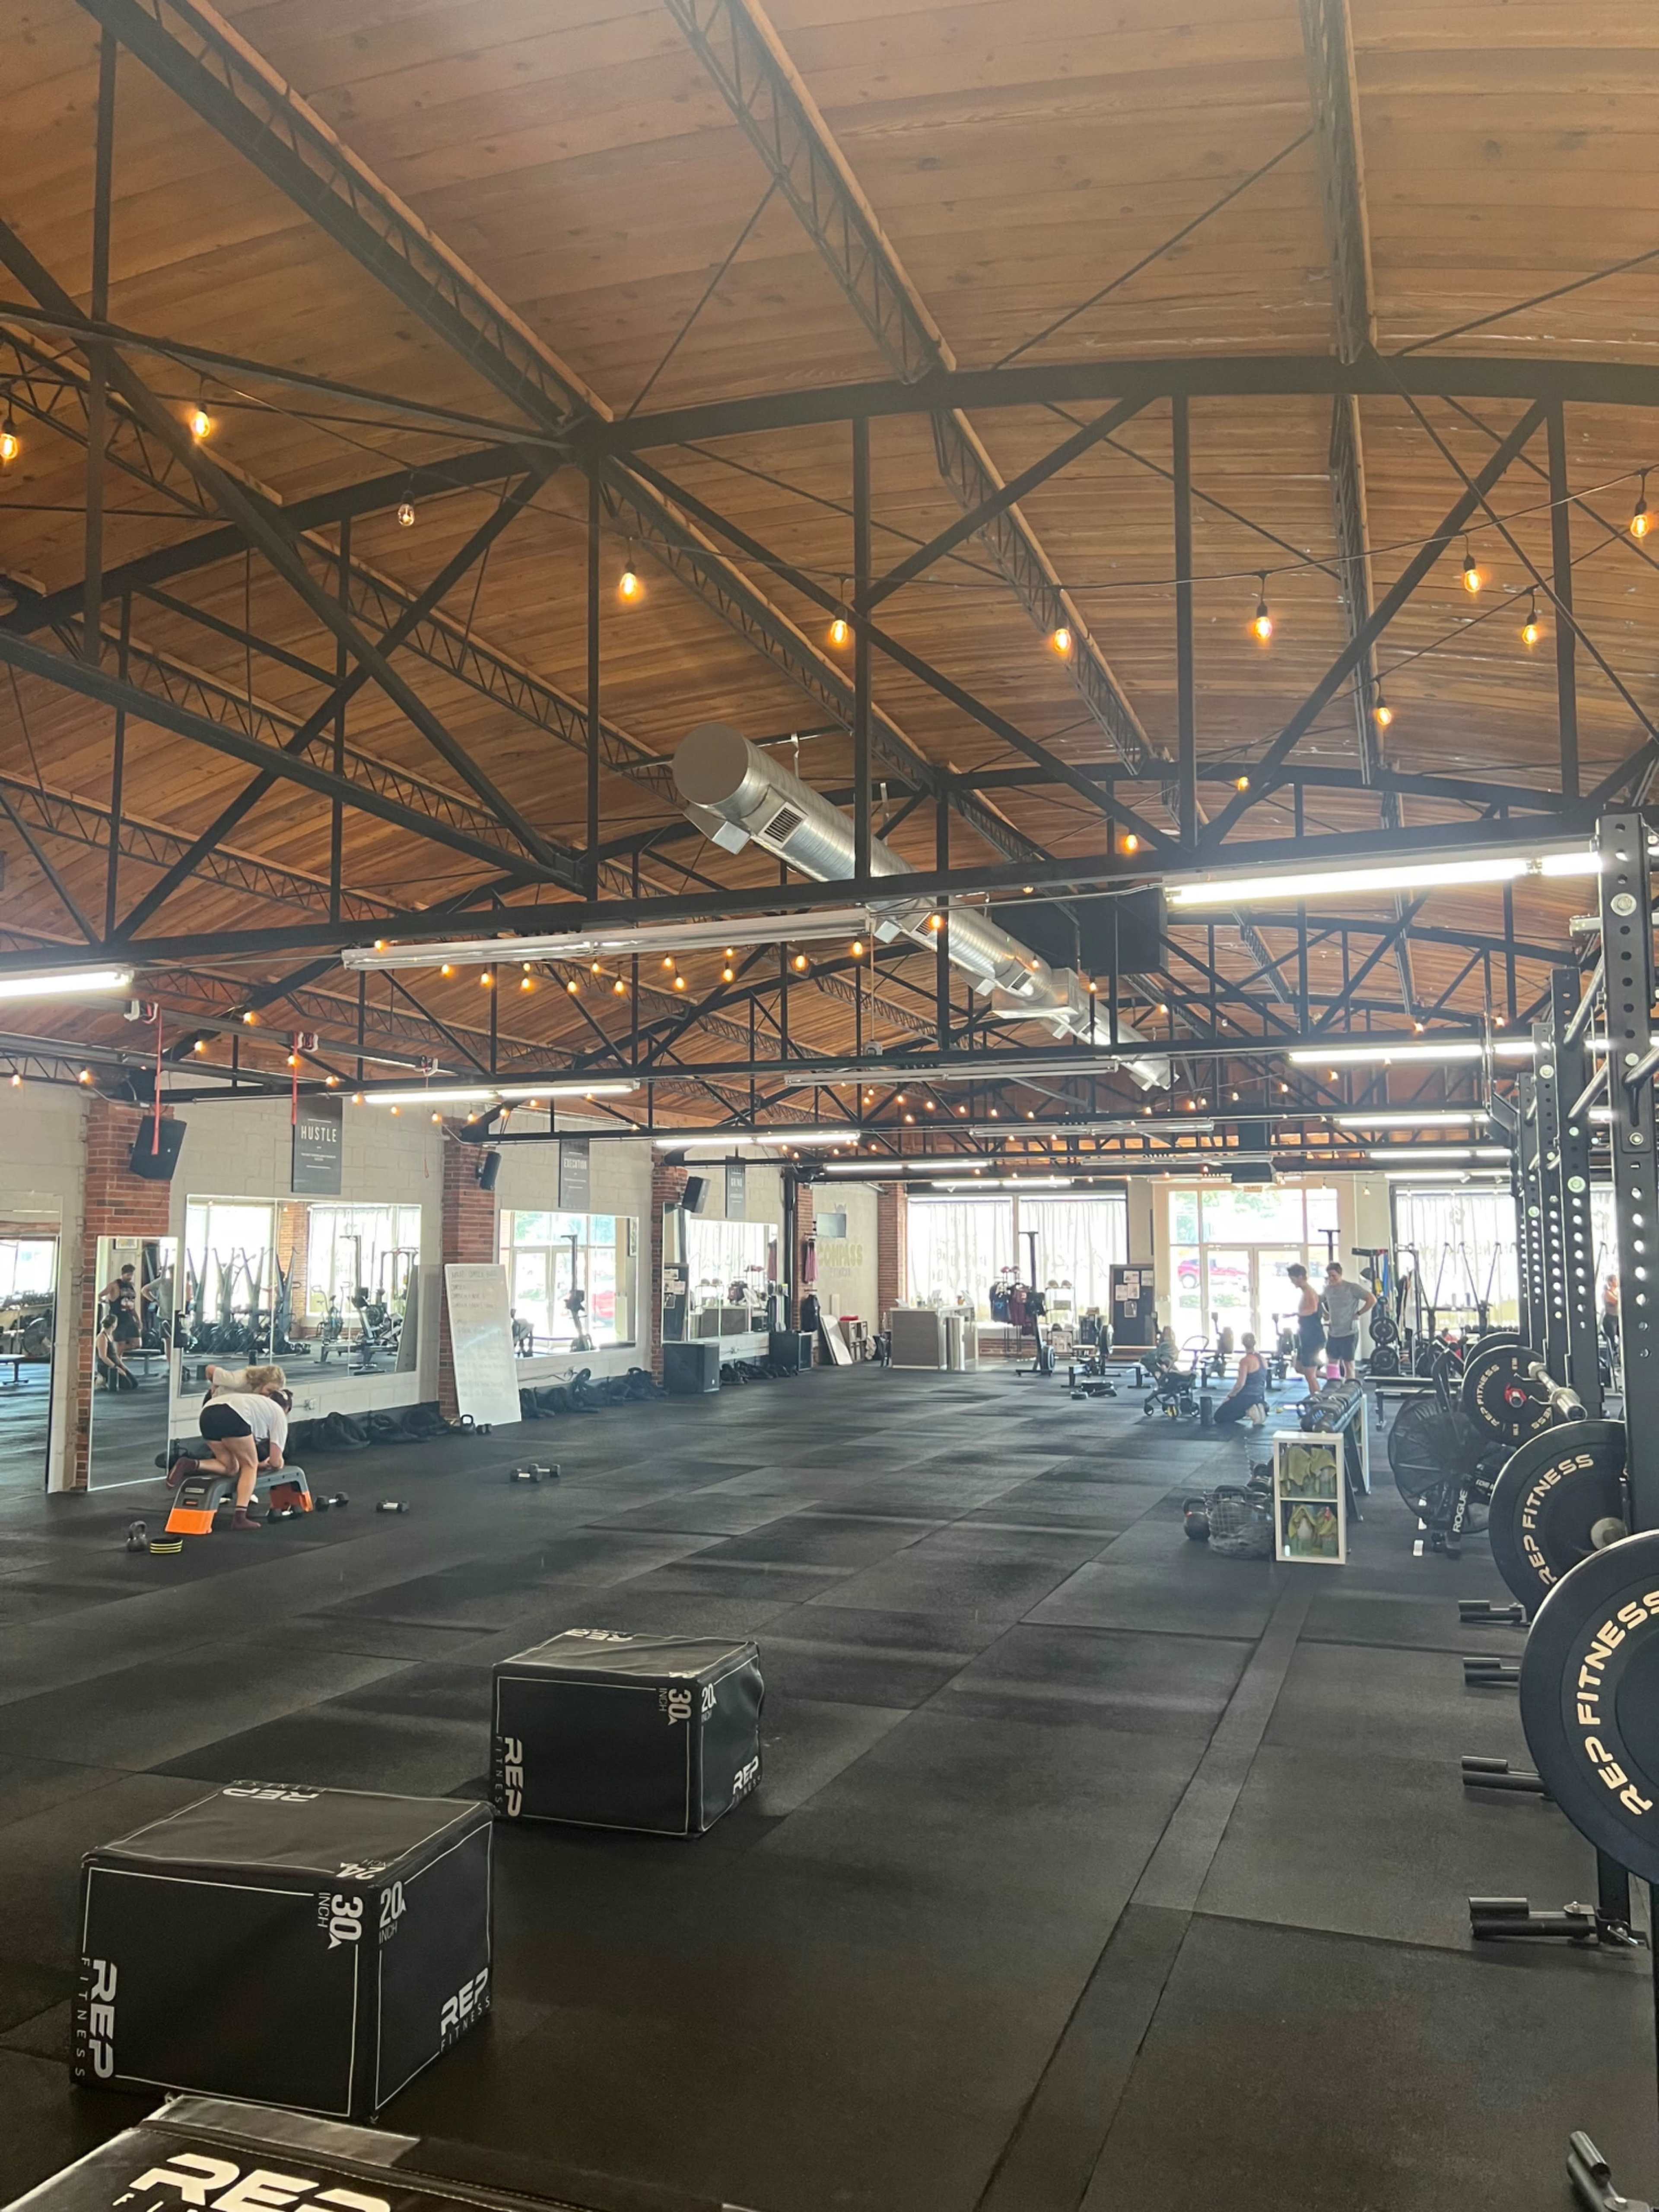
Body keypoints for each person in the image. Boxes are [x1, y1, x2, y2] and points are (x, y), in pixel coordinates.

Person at [167, 1370, 290, 1531]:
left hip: (208, 1413)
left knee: (231, 1468)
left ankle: (190, 1464)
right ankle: (240, 1517)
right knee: (249, 1466)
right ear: (287, 1409)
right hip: (232, 1415)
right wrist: (272, 1464)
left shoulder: (257, 1404)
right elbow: (276, 1461)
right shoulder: (279, 1415)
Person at [1321, 1262, 1376, 1381]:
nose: (1331, 1279)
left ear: (1340, 1274)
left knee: (1349, 1365)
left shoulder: (1352, 1288)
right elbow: (1317, 1301)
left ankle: (1350, 1392)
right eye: (1329, 1276)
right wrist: (1326, 1314)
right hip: (1333, 1333)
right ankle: (1333, 1389)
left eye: (1333, 1276)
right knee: (1331, 1364)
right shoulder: (1328, 1290)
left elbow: (1372, 1299)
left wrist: (1359, 1313)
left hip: (1349, 1333)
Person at [95, 1263, 142, 1386]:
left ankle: (114, 1355)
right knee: (120, 1346)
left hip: (129, 1317)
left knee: (137, 1344)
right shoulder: (114, 1285)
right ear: (123, 1274)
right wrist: (107, 1301)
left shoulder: (132, 1286)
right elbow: (99, 1295)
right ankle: (115, 1367)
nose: (130, 1277)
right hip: (118, 1319)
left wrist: (138, 1319)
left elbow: (132, 1305)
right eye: (128, 1274)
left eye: (132, 1274)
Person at [1213, 1332, 1268, 1429]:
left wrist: (1230, 1397)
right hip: (1260, 1396)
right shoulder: (1263, 1359)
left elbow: (1241, 1384)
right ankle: (1257, 1407)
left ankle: (1249, 1410)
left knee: (1219, 1417)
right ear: (1255, 1343)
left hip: (1246, 1397)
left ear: (1243, 1344)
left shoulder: (1245, 1361)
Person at [1287, 1263, 1325, 1397]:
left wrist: (1296, 1314)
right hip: (1306, 1336)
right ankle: (1334, 1379)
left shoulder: (1309, 1291)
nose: (1292, 1282)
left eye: (1293, 1279)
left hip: (1313, 1337)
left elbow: (1313, 1309)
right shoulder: (1306, 1291)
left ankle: (1317, 1402)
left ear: (1301, 1277)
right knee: (1299, 1368)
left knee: (1310, 1375)